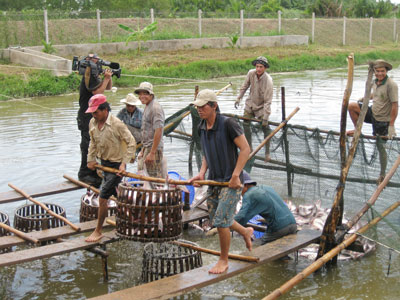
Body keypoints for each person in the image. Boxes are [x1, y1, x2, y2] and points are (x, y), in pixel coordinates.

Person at [189, 89, 253, 274]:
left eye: (203, 106)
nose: (199, 110)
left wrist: (235, 175)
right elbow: (206, 154)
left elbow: (246, 149)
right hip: (214, 180)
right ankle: (245, 231)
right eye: (197, 106)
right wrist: (202, 173)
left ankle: (223, 260)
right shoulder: (202, 126)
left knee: (222, 221)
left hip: (231, 181)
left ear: (214, 106)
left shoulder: (228, 124)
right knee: (218, 218)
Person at [85, 94, 136, 242]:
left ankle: (98, 230)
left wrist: (124, 163)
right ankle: (131, 220)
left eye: (96, 112)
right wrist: (91, 159)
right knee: (118, 196)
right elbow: (93, 143)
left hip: (116, 166)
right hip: (104, 165)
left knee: (102, 197)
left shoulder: (117, 124)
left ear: (105, 110)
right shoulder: (92, 123)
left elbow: (131, 142)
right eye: (93, 113)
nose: (94, 115)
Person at [347, 59, 398, 183]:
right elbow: (375, 95)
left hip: (382, 120)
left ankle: (382, 174)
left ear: (386, 71)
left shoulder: (391, 85)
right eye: (377, 71)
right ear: (374, 72)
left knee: (380, 146)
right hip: (372, 114)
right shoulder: (375, 82)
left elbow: (395, 105)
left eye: (382, 71)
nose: (380, 73)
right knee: (352, 106)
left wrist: (391, 125)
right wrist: (366, 97)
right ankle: (356, 129)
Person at [77, 53, 113, 187]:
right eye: (95, 62)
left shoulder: (94, 75)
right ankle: (85, 173)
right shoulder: (88, 74)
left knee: (95, 143)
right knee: (87, 144)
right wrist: (105, 79)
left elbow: (107, 88)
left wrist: (108, 78)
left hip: (94, 115)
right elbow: (97, 93)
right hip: (87, 115)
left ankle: (93, 171)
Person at [234, 172, 297, 245]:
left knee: (255, 246)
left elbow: (241, 216)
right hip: (293, 224)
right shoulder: (267, 187)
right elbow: (273, 207)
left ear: (245, 185)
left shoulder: (248, 195)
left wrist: (228, 225)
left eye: (238, 188)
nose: (238, 191)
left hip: (279, 228)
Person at [235, 56, 273, 161]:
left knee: (266, 127)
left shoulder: (268, 80)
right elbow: (244, 86)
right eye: (257, 66)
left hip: (261, 106)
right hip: (251, 103)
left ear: (265, 68)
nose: (258, 69)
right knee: (245, 122)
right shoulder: (251, 73)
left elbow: (268, 101)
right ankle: (249, 148)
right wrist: (238, 98)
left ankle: (267, 152)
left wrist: (266, 117)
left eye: (261, 67)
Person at [134, 82, 165, 178]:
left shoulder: (155, 108)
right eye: (140, 94)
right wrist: (143, 150)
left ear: (151, 95)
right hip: (147, 147)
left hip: (154, 149)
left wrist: (152, 153)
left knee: (153, 179)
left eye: (145, 94)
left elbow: (158, 130)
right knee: (144, 176)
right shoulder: (147, 106)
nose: (142, 96)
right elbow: (146, 131)